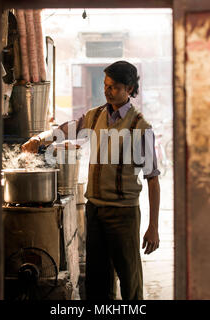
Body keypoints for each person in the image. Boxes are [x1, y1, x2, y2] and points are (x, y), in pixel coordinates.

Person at [21, 61, 160, 300]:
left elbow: (153, 180)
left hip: (123, 214)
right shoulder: (95, 116)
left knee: (130, 280)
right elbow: (66, 129)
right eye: (105, 85)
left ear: (129, 89)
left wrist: (153, 227)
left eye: (114, 87)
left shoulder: (140, 127)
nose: (107, 91)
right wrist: (40, 139)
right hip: (94, 210)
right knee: (97, 279)